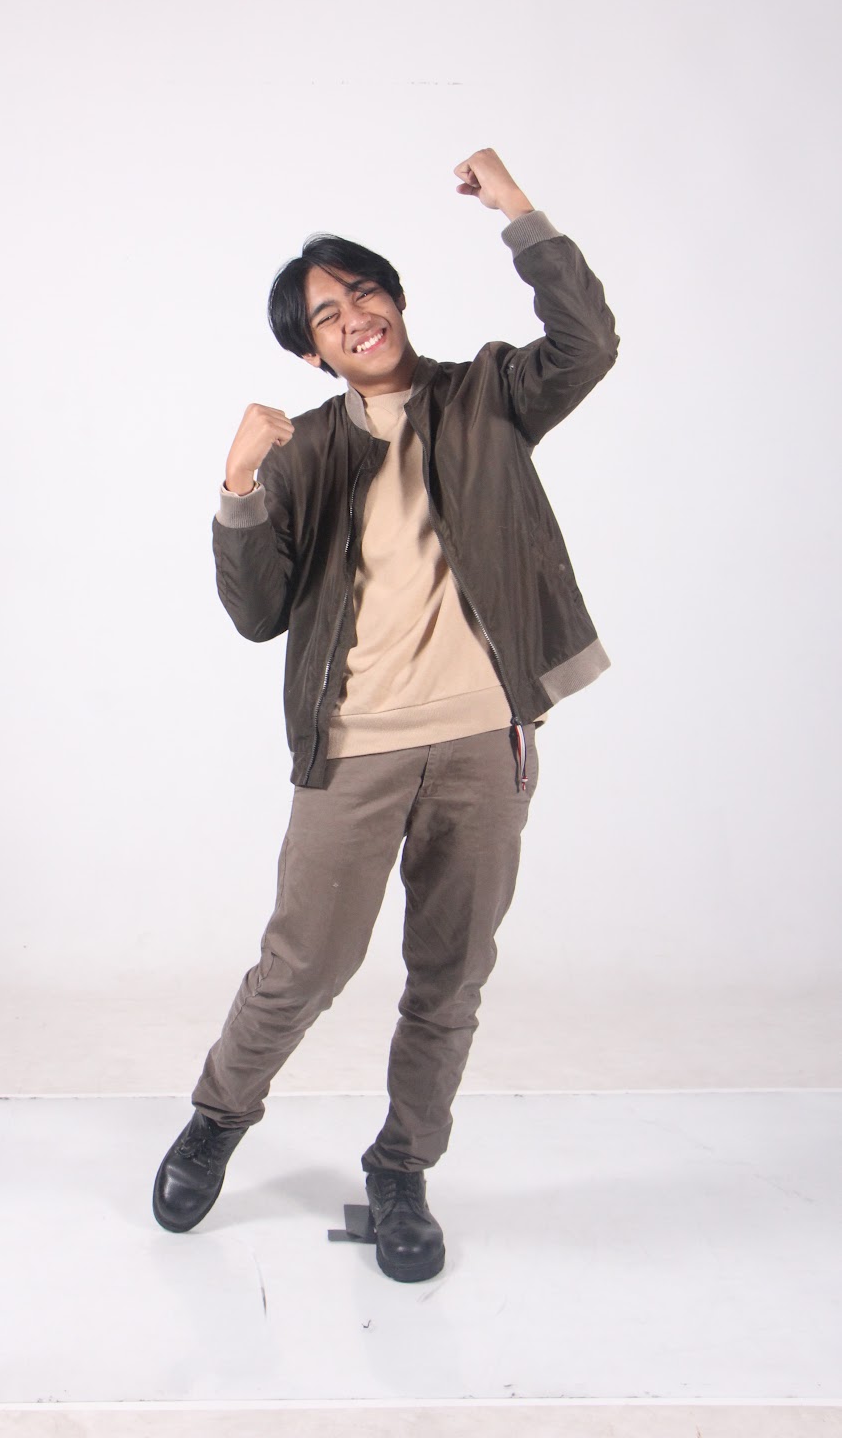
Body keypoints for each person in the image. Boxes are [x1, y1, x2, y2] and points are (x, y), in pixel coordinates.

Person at [152, 147, 619, 1283]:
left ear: (396, 300)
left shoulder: (486, 395)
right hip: (353, 749)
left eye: (363, 292)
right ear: (309, 350)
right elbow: (257, 612)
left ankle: (402, 1169)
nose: (353, 316)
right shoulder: (308, 449)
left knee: (449, 978)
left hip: (481, 743)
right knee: (299, 967)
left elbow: (587, 344)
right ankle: (217, 1117)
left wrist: (517, 212)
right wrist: (236, 487)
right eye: (326, 314)